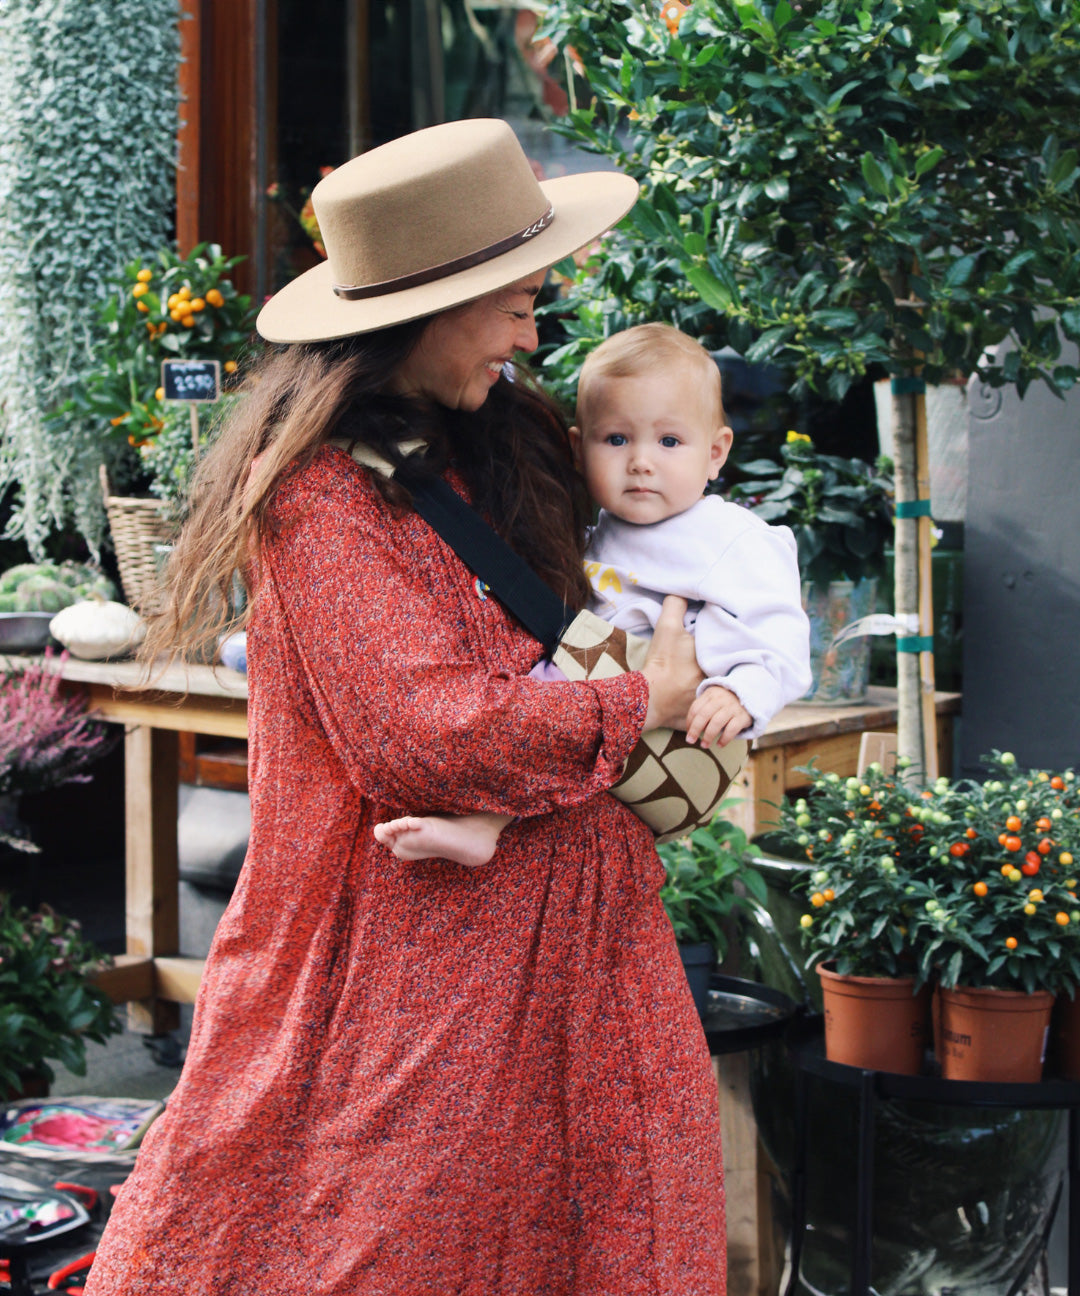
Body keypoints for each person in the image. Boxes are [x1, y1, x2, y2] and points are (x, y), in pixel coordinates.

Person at [82, 119, 727, 1296]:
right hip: (412, 986)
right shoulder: (326, 502)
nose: (536, 332)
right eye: (517, 303)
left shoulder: (514, 441)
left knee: (612, 1236)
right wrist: (645, 705)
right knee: (366, 1250)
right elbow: (424, 738)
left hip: (583, 949)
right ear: (430, 308)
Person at [375, 322, 811, 868]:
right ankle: (485, 824)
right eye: (617, 439)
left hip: (673, 720)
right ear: (579, 449)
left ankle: (485, 822)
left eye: (670, 441)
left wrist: (743, 691)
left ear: (716, 451)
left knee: (551, 716)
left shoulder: (730, 535)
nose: (641, 462)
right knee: (537, 722)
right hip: (602, 691)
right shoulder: (592, 530)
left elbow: (781, 628)